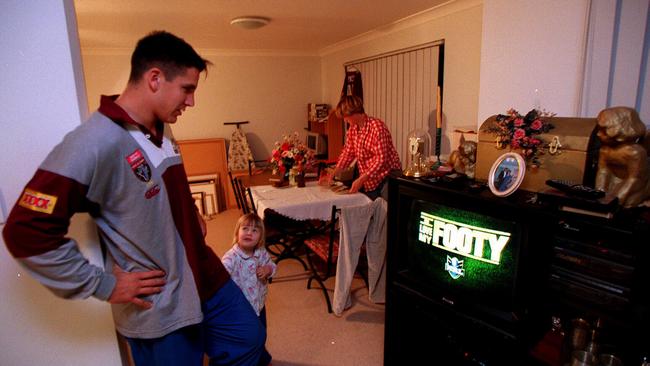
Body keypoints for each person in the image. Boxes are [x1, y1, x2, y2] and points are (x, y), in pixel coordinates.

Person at [2, 31, 264, 366]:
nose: (191, 102)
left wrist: (192, 211)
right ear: (155, 78)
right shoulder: (93, 143)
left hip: (203, 272)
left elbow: (166, 187)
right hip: (161, 299)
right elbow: (25, 231)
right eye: (187, 89)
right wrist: (103, 284)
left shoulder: (164, 128)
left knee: (248, 338)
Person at [221, 213, 277, 366]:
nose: (249, 233)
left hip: (259, 304)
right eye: (245, 228)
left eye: (254, 230)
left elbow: (273, 266)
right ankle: (251, 359)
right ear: (237, 232)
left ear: (260, 237)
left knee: (261, 333)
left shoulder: (261, 253)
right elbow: (221, 275)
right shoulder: (231, 257)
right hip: (241, 308)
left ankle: (262, 356)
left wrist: (267, 269)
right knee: (246, 338)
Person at [328, 95, 401, 200]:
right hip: (369, 179)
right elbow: (348, 153)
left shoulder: (377, 127)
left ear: (353, 113)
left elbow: (381, 159)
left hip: (386, 177)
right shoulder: (353, 130)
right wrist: (334, 173)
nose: (345, 120)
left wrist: (362, 179)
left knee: (384, 212)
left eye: (345, 116)